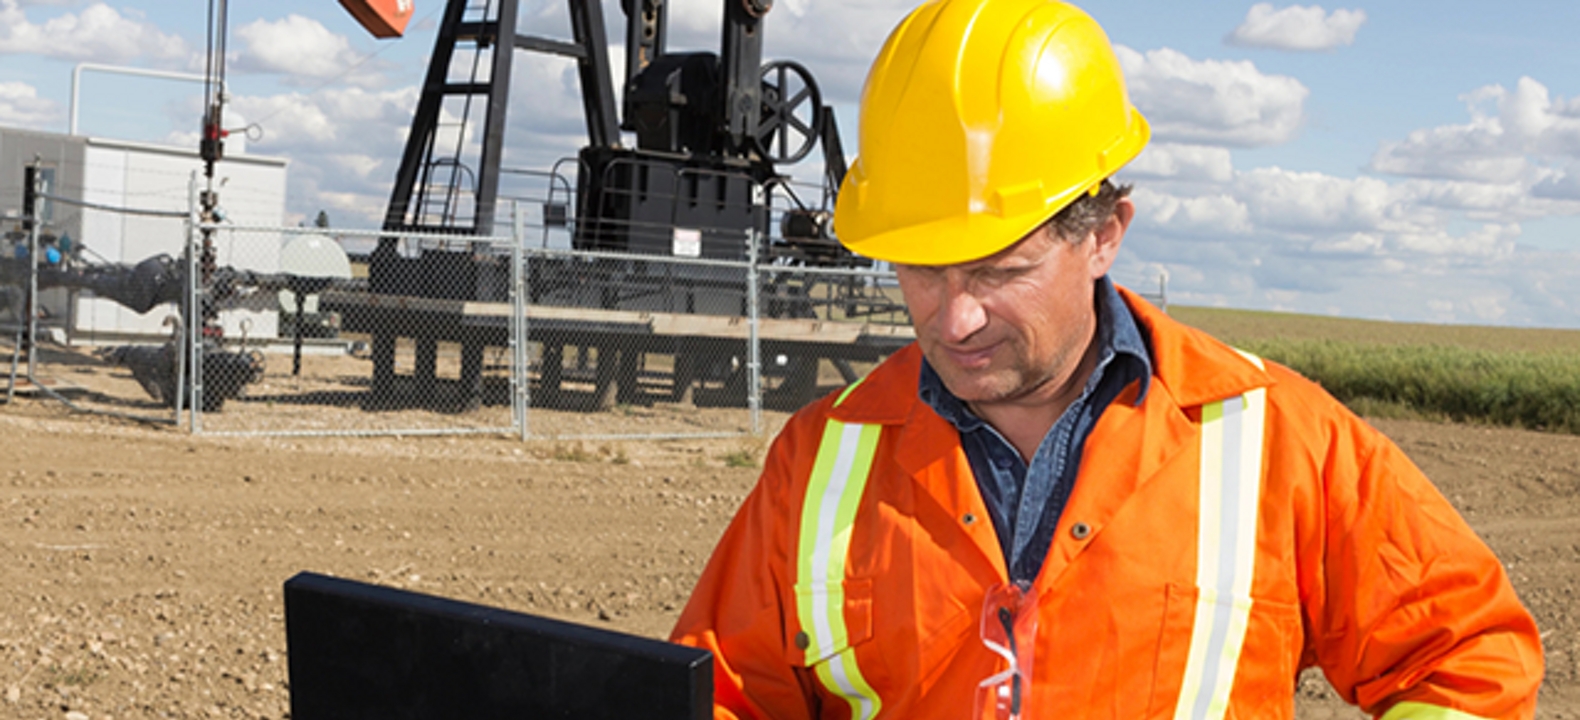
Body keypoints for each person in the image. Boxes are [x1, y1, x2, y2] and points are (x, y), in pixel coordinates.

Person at [670, 0, 1545, 717]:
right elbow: (721, 694)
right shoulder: (821, 458)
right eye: (921, 271)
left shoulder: (1274, 438)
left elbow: (1470, 656)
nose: (955, 316)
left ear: (1104, 237)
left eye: (1000, 271)